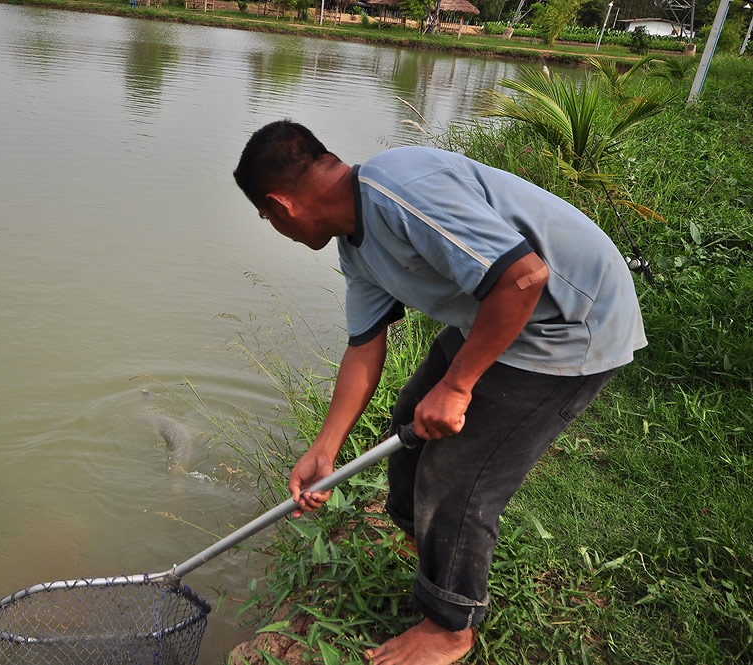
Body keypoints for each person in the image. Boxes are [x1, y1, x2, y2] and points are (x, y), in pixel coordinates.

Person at [232, 120, 646, 665]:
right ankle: (426, 545)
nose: (274, 227)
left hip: (569, 325)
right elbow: (364, 348)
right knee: (409, 425)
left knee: (458, 474)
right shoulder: (356, 248)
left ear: (280, 205)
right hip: (500, 316)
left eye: (266, 219)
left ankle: (451, 626)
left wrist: (457, 385)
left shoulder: (400, 189)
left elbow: (524, 277)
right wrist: (326, 447)